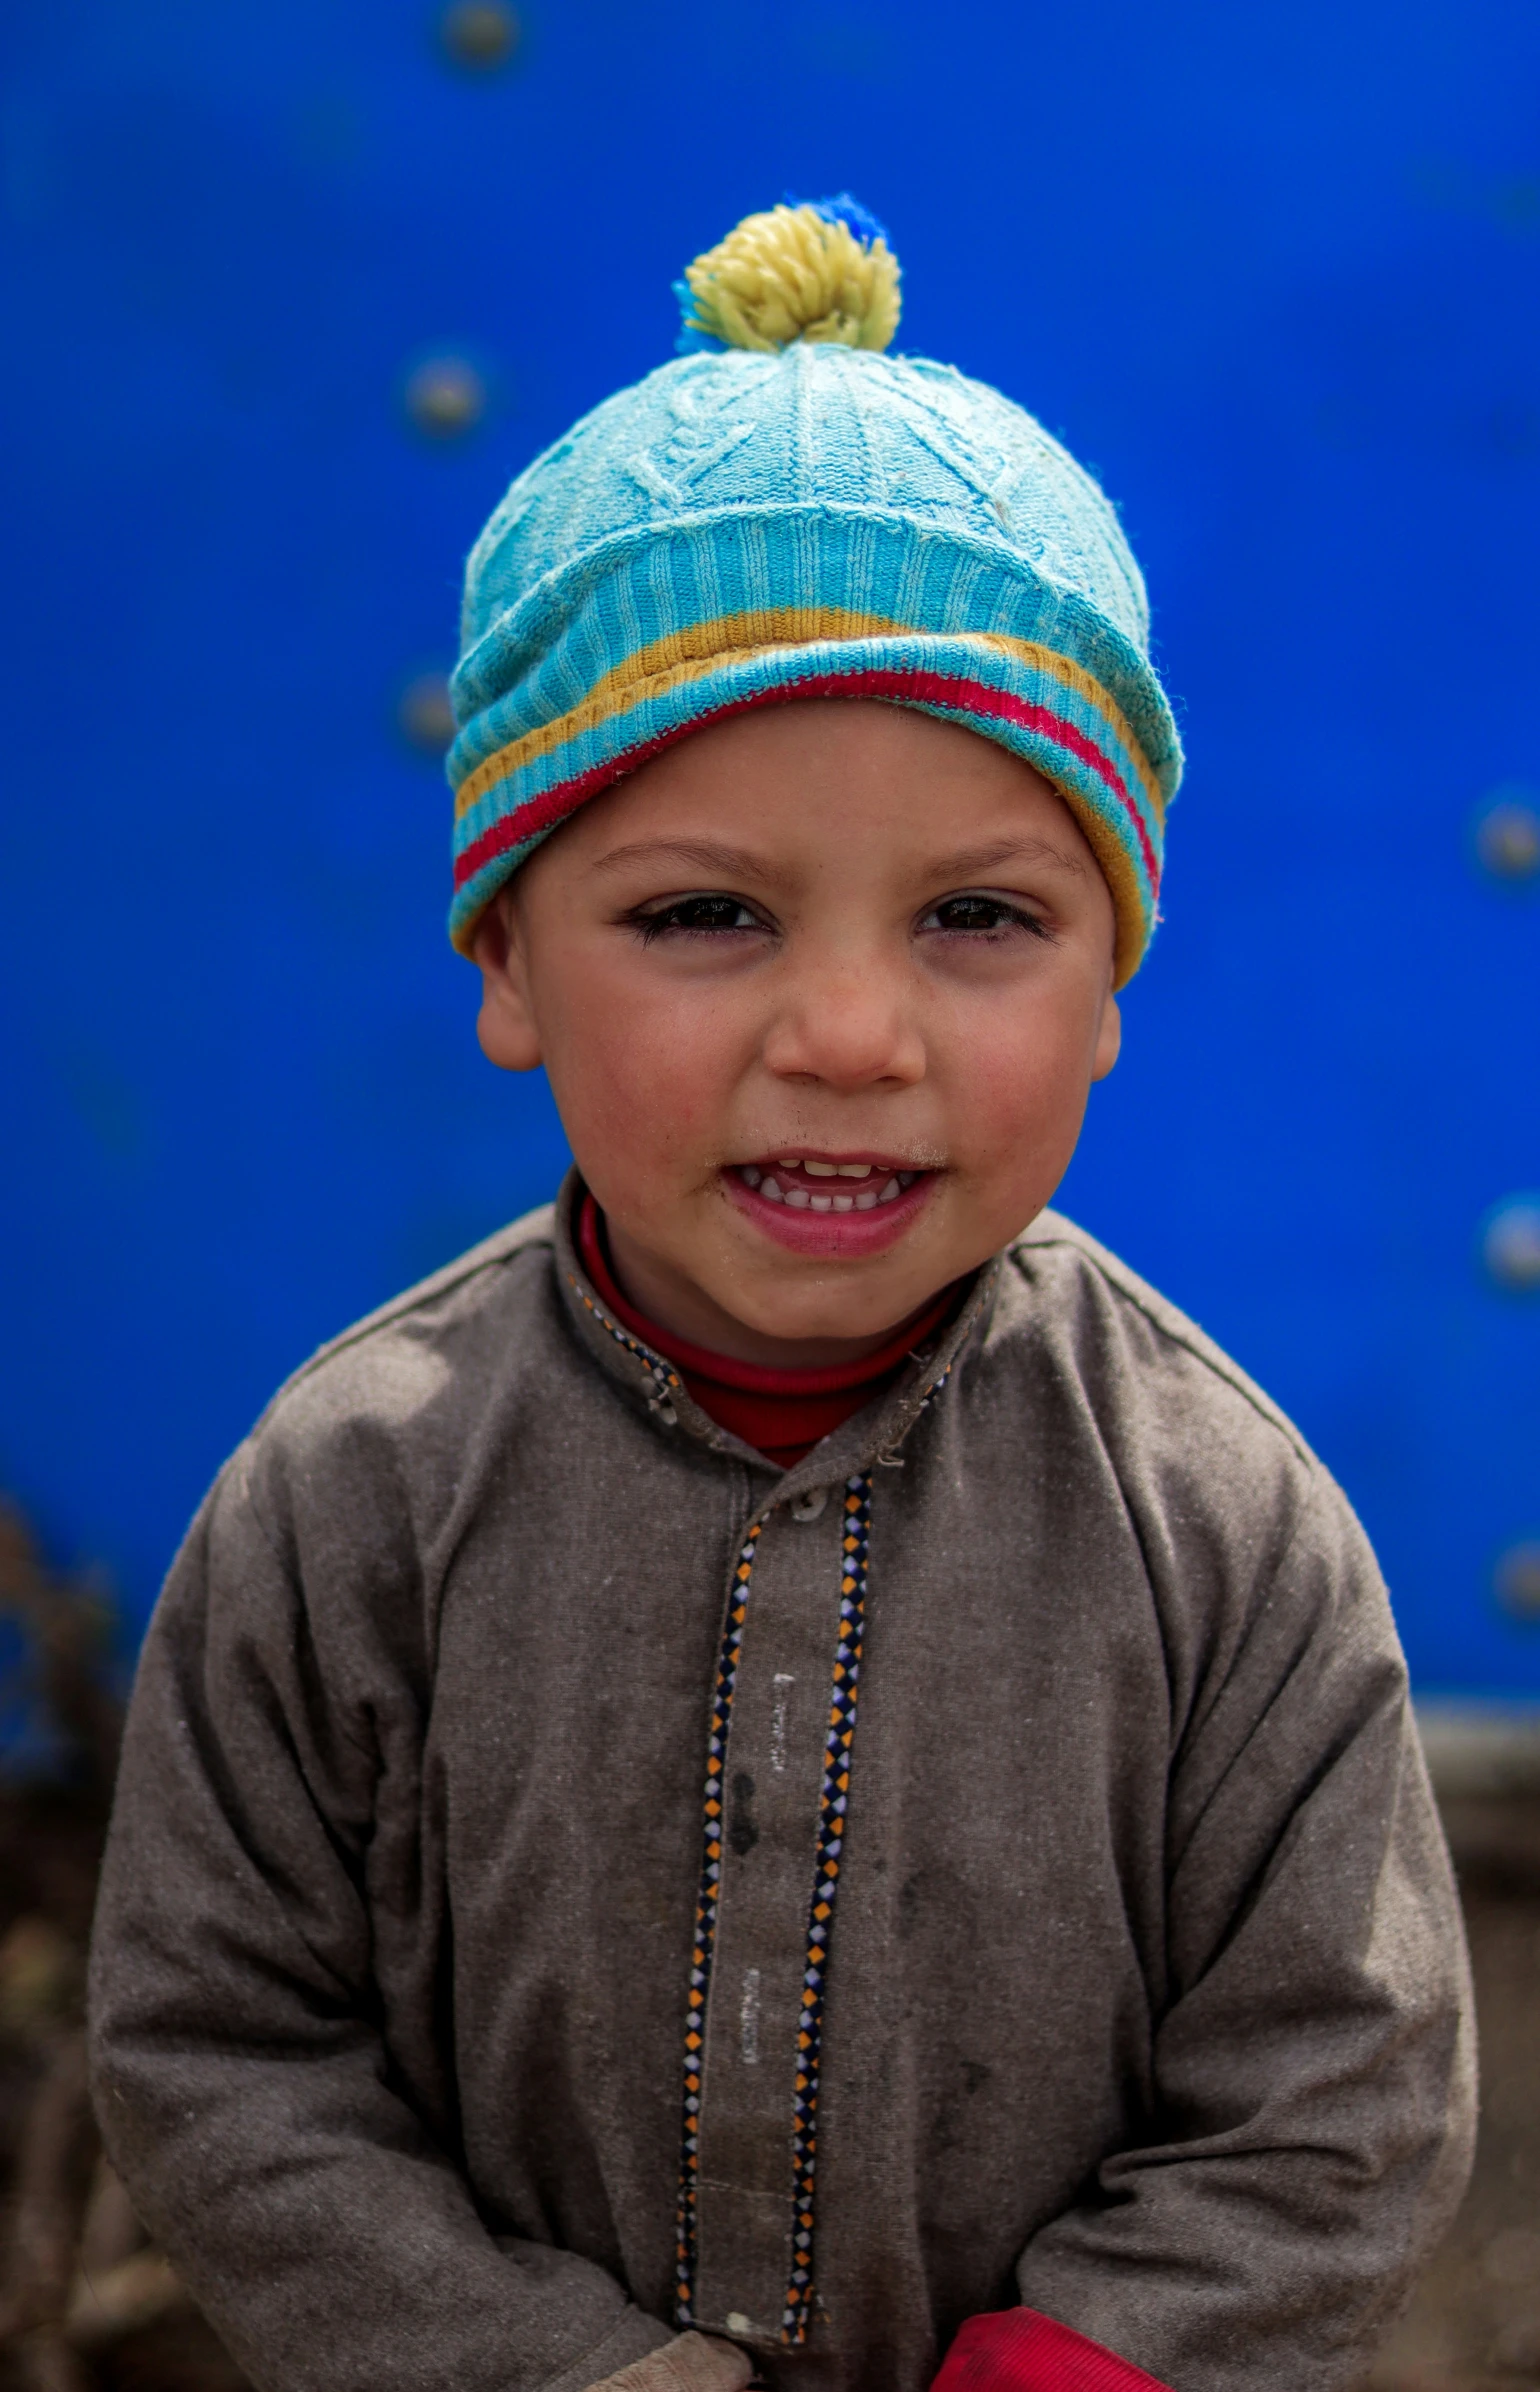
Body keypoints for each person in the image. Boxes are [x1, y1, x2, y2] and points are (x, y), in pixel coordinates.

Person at [88, 200, 1475, 2392]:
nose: (847, 1030)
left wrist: (1093, 2361)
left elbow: (1335, 2080)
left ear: (1111, 981)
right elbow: (220, 2041)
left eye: (977, 919)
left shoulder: (1220, 1523)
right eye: (710, 910)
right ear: (503, 963)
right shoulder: (347, 1495)